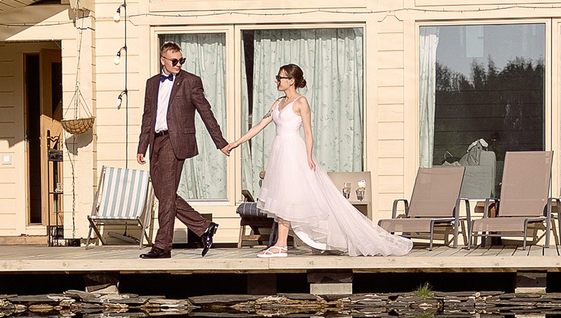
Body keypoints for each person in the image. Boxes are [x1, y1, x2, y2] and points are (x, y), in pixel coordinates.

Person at [223, 63, 413, 258]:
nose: (277, 81)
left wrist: (308, 156)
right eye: (277, 77)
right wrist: (236, 143)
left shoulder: (301, 102)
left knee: (289, 197)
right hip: (279, 152)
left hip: (293, 153)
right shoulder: (277, 103)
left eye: (280, 77)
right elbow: (259, 125)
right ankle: (281, 244)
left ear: (292, 80)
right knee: (282, 197)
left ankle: (281, 244)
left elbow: (308, 131)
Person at [136, 40, 228, 258]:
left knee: (166, 194)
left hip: (175, 142)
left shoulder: (190, 81)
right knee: (163, 194)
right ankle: (203, 226)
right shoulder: (151, 83)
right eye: (174, 60)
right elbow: (147, 116)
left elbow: (206, 112)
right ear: (163, 60)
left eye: (181, 60)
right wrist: (142, 145)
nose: (178, 64)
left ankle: (162, 246)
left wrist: (220, 141)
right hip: (155, 141)